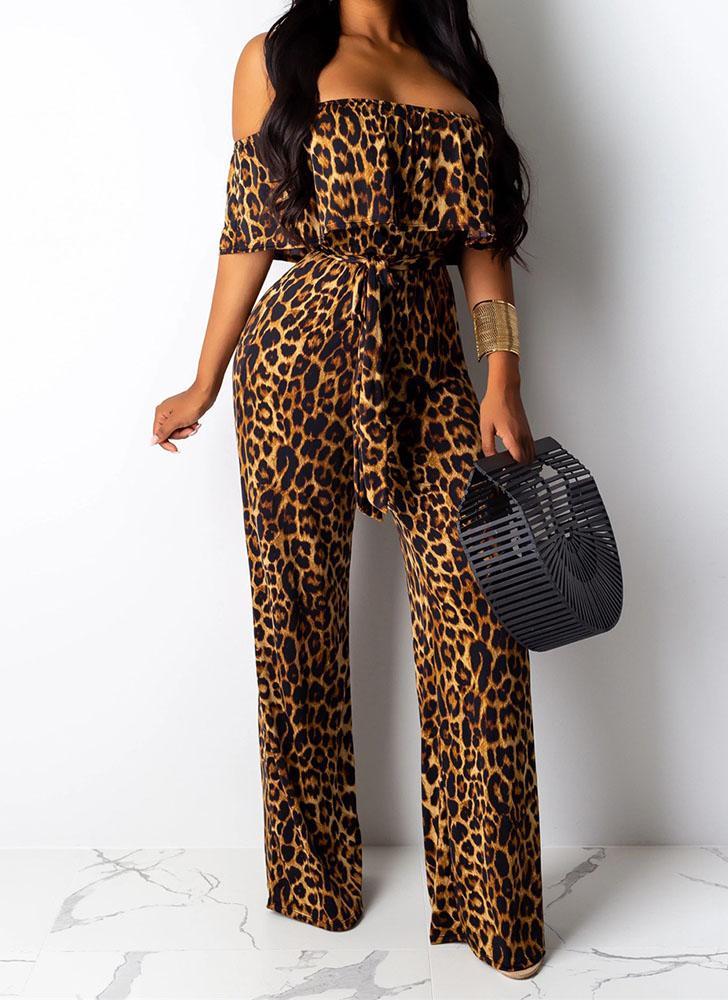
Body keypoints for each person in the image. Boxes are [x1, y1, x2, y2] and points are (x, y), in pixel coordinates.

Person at [151, 0, 544, 980]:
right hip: (297, 359)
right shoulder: (275, 59)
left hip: (430, 365)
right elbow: (248, 232)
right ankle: (311, 879)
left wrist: (502, 378)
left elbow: (483, 251)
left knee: (480, 618)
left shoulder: (454, 73)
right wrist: (204, 377)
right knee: (296, 619)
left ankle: (492, 904)